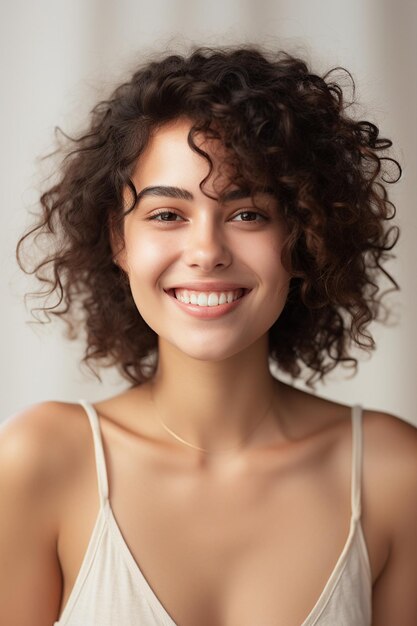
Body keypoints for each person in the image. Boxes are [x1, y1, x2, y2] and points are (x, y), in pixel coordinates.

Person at [1, 44, 416, 626]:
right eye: (167, 214)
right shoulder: (39, 461)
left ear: (306, 238)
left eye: (247, 214)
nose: (206, 253)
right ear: (119, 243)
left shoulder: (394, 474)